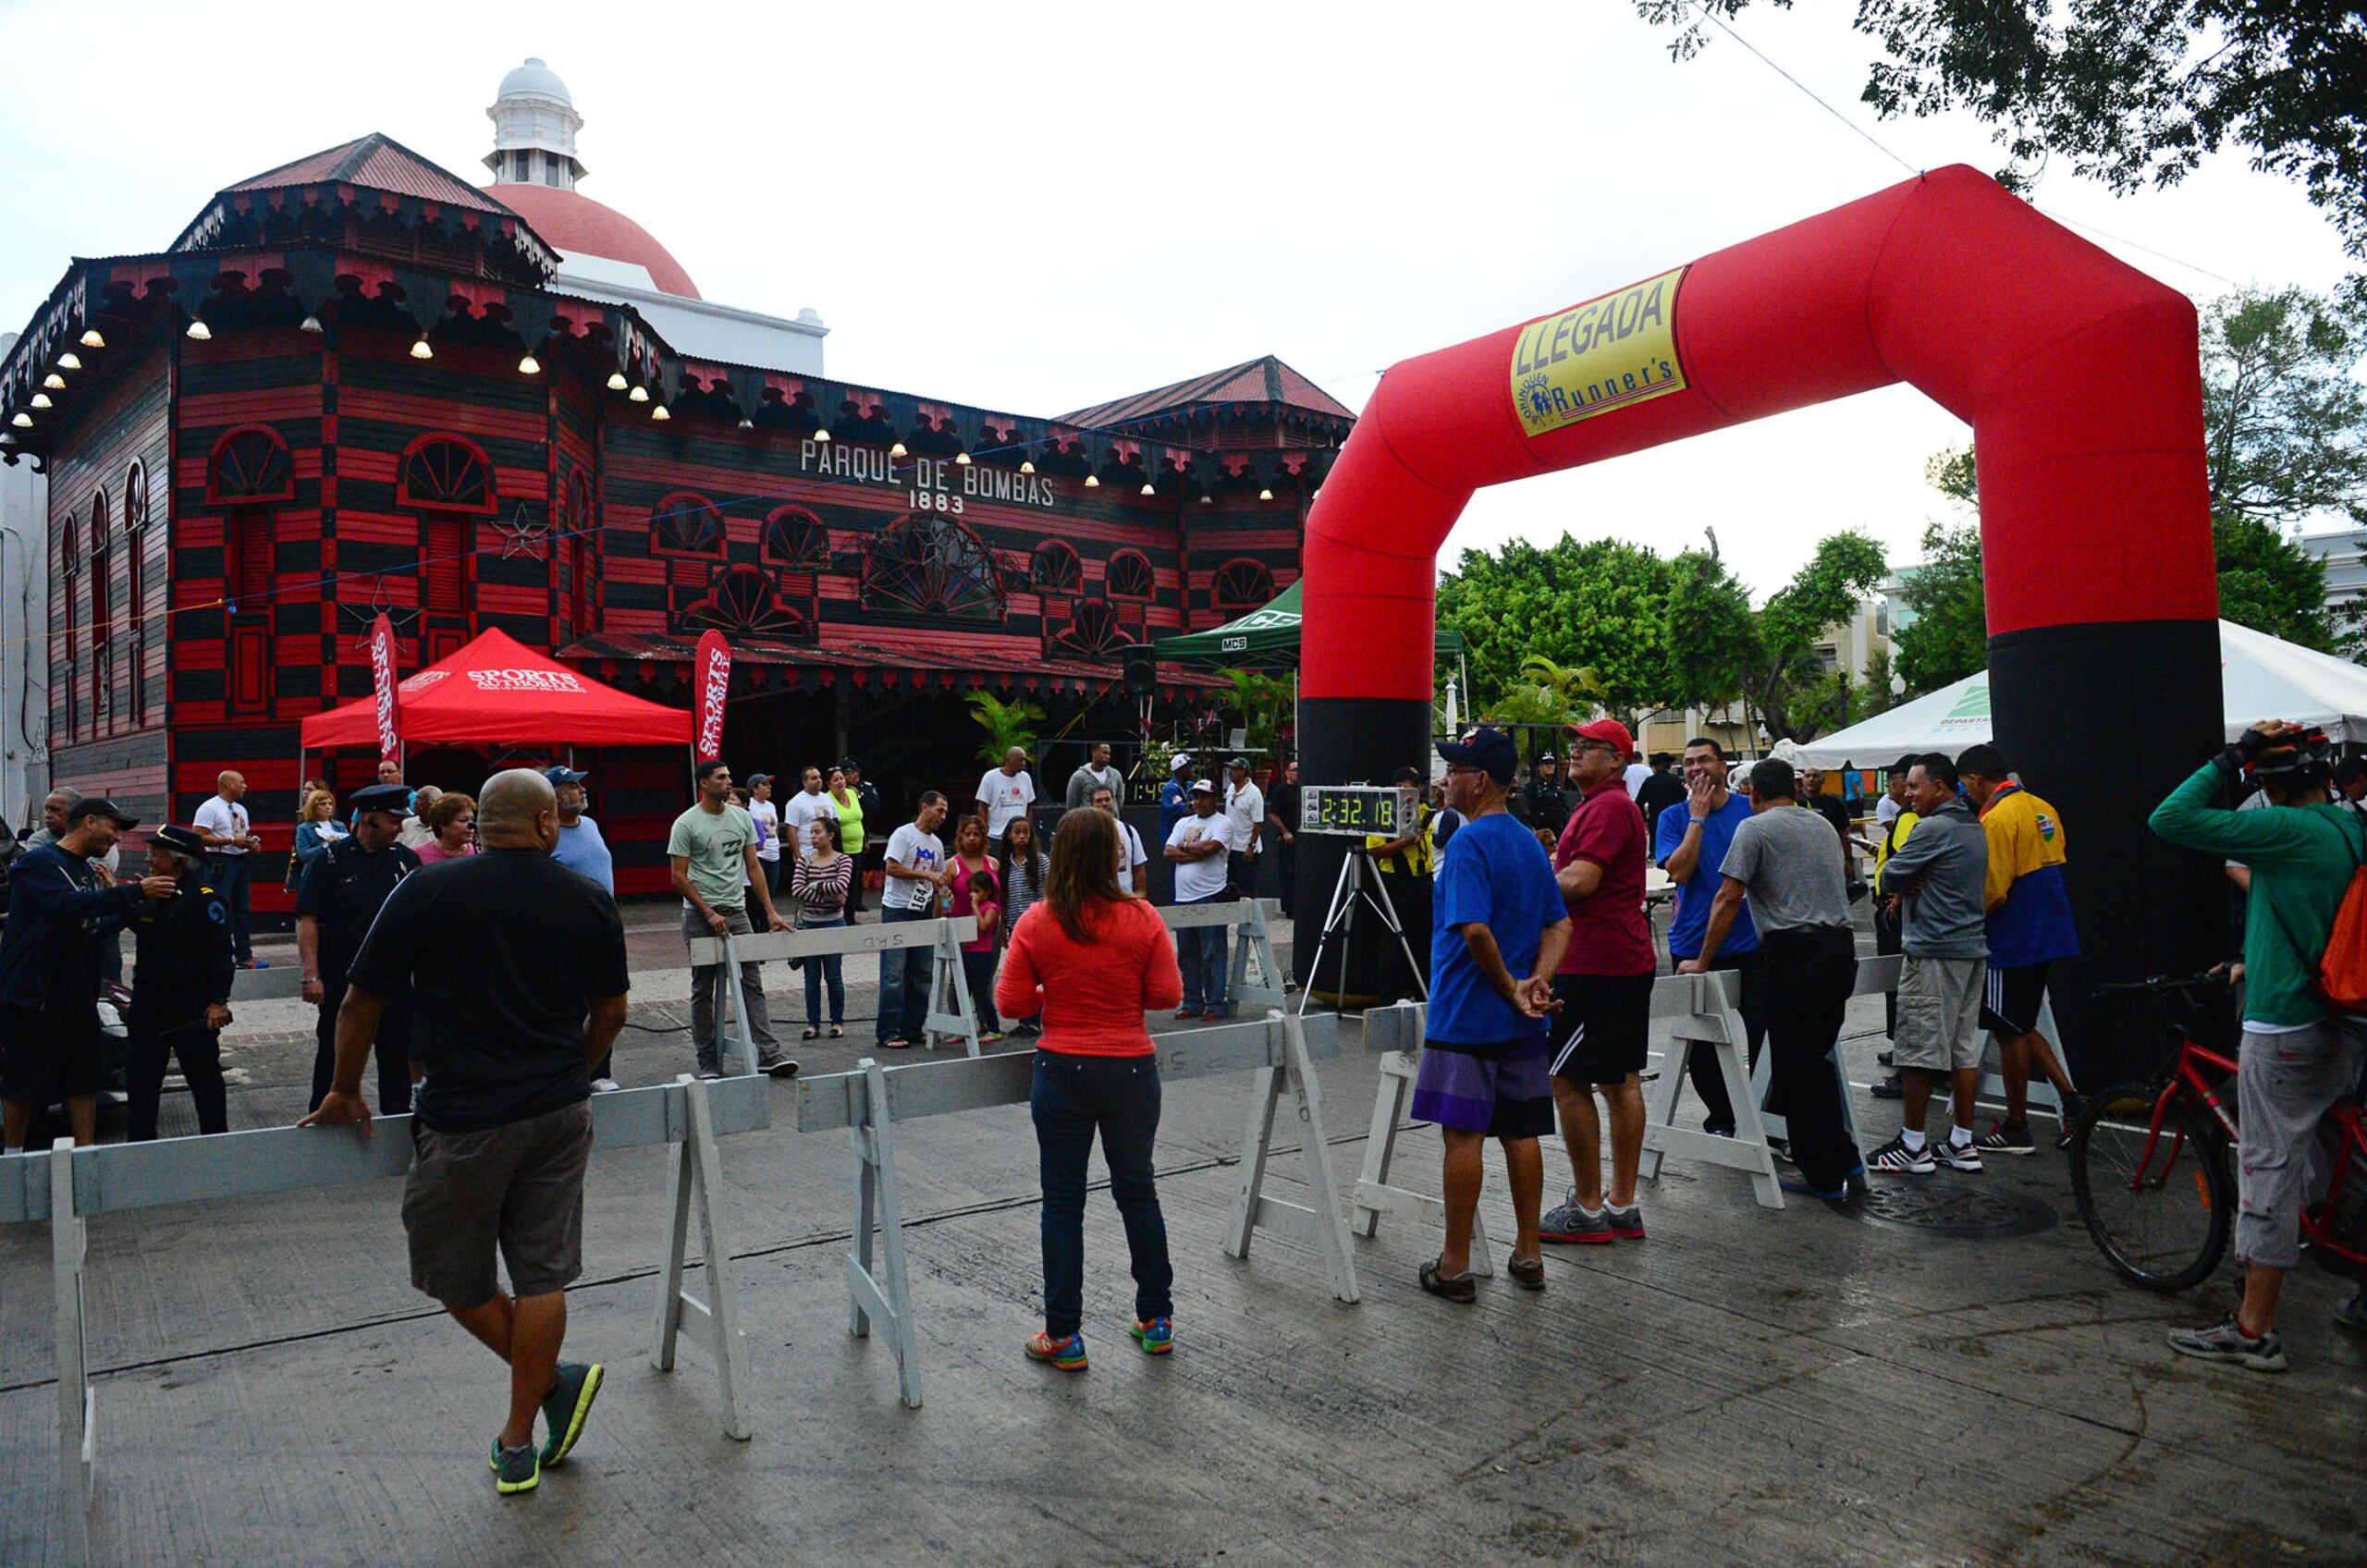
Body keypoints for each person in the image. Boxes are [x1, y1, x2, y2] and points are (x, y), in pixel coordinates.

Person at [299, 769, 626, 1495]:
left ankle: (534, 1415)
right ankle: (525, 1426)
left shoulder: (426, 889)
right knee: (543, 1273)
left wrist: (344, 1088)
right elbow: (612, 1008)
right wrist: (577, 1068)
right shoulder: (587, 899)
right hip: (559, 1114)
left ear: (484, 824)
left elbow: (360, 1000)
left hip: (464, 1117)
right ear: (546, 824)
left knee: (453, 1275)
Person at [2152, 722, 2367, 1371]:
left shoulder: (2282, 832)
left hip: (2288, 1027)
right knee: (2341, 1157)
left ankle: (2253, 1331)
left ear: (2266, 784)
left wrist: (2230, 757)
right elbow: (2310, 914)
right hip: (2346, 1018)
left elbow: (2171, 817)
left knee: (2269, 1167)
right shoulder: (2349, 826)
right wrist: (2249, 960)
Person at [998, 805, 1184, 1369]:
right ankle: (1156, 1320)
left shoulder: (1036, 920)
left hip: (1061, 1071)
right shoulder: (1143, 917)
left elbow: (1009, 1004)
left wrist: (1054, 994)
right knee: (1138, 1193)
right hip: (1131, 1070)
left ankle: (1064, 1335)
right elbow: (1167, 995)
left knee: (1062, 1204)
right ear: (1113, 855)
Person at [1414, 727, 1570, 1302]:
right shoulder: (1530, 843)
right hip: (1522, 1020)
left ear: (1480, 781)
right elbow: (1560, 922)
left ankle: (1455, 1265)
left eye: (1456, 771)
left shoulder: (1467, 844)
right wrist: (1537, 983)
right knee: (1522, 1134)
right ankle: (1529, 1254)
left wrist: (1510, 987)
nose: (1447, 779)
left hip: (1467, 1015)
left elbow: (1474, 929)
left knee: (1463, 1137)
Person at [1680, 758, 1864, 1203]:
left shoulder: (1755, 828)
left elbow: (1728, 896)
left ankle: (1823, 1174)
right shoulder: (1821, 824)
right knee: (1816, 1055)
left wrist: (1701, 960)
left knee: (1794, 1066)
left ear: (1753, 795)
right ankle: (1845, 1153)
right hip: (1840, 949)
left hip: (1794, 952)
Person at [1539, 719, 1657, 1245]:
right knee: (1619, 1078)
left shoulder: (1608, 807)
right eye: (1575, 746)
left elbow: (1582, 881)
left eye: (1589, 747)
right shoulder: (1604, 806)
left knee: (1569, 1080)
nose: (1575, 753)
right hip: (1621, 958)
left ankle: (1589, 1206)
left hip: (1595, 962)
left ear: (1617, 761)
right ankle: (1621, 1201)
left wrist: (1526, 882)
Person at [0, 800, 172, 1150]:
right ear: (89, 822)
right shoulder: (40, 863)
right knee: (23, 1081)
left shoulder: (83, 869)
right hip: (34, 994)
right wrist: (133, 891)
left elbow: (90, 924)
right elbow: (66, 907)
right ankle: (13, 1157)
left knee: (84, 1078)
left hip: (75, 992)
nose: (117, 838)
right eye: (113, 828)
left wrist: (132, 910)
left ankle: (86, 1154)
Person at [1861, 753, 1992, 1175]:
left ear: (1940, 786)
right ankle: (1961, 1143)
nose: (1908, 793)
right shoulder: (1974, 825)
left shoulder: (1933, 828)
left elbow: (1889, 874)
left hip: (1934, 951)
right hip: (1971, 950)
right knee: (1962, 1051)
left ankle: (1913, 1145)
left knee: (1917, 1050)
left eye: (1915, 786)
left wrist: (1905, 879)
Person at [1956, 742, 2085, 1154]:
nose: (1967, 793)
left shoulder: (1996, 818)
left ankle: (2016, 1127)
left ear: (1977, 779)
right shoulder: (2042, 807)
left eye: (1965, 785)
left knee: (2008, 1030)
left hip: (2011, 938)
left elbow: (1993, 889)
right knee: (2021, 1024)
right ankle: (2072, 1101)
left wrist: (1967, 917)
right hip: (2049, 931)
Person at [1655, 737, 1770, 1137]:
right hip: (1691, 944)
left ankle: (1762, 1117)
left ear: (1724, 767)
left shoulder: (1748, 810)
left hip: (1750, 943)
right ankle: (1722, 1117)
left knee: (1763, 1033)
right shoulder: (1673, 817)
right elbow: (1680, 872)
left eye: (1704, 760)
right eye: (1688, 763)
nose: (1695, 768)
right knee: (1702, 1045)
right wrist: (1697, 818)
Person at [667, 761, 796, 1080]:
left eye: (728, 776)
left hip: (737, 911)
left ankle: (769, 1053)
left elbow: (753, 867)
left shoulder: (741, 818)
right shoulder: (686, 824)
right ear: (704, 783)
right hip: (698, 915)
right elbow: (678, 876)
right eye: (721, 777)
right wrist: (707, 911)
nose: (729, 782)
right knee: (703, 988)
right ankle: (708, 1059)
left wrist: (770, 911)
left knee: (752, 982)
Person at [298, 783, 423, 1114]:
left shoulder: (407, 861)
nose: (400, 826)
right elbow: (307, 918)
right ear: (369, 820)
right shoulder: (329, 861)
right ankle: (324, 1123)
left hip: (396, 980)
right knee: (333, 1055)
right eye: (394, 820)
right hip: (343, 976)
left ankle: (395, 1130)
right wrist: (311, 975)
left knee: (396, 1058)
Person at [123, 825, 235, 1141]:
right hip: (149, 1005)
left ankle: (216, 1143)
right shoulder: (150, 893)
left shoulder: (204, 899)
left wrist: (219, 1001)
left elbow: (221, 954)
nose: (149, 860)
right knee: (141, 1081)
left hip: (191, 1007)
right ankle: (140, 1148)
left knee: (205, 1080)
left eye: (155, 855)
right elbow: (145, 928)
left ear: (179, 861)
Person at [544, 766, 619, 1093]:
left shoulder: (590, 825)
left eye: (579, 784)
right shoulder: (548, 834)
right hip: (568, 932)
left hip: (604, 928)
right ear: (555, 796)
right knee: (571, 1007)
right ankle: (570, 1070)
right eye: (572, 786)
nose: (581, 790)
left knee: (606, 1002)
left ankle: (599, 1071)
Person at [1866, 757, 1926, 1101]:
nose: (1896, 789)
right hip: (1896, 908)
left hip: (1894, 911)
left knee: (1899, 986)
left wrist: (1896, 897)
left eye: (1901, 783)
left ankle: (1906, 1063)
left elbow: (1905, 861)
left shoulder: (1908, 818)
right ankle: (1902, 1050)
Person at [877, 792, 951, 1048]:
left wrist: (943, 898)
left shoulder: (937, 844)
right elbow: (892, 868)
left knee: (922, 973)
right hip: (897, 909)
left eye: (945, 813)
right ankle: (887, 1031)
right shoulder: (903, 834)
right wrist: (926, 875)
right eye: (939, 810)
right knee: (894, 973)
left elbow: (940, 877)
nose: (942, 817)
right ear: (924, 807)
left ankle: (912, 1027)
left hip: (923, 908)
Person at [1165, 779, 1237, 1019]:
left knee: (1212, 953)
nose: (1198, 802)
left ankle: (1216, 1004)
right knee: (1187, 955)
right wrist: (1195, 851)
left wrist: (1185, 848)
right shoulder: (1183, 822)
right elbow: (1168, 852)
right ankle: (1192, 1002)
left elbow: (1211, 849)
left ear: (1214, 799)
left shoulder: (1224, 823)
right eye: (1195, 797)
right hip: (1183, 897)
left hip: (1210, 896)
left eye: (1203, 797)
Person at [1366, 766, 1440, 993]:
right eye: (1411, 783)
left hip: (1424, 880)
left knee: (1424, 937)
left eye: (1418, 784)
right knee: (1394, 940)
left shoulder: (1426, 809)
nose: (1418, 788)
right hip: (1396, 881)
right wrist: (1404, 843)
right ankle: (1389, 996)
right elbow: (1374, 850)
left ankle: (1422, 990)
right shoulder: (1384, 812)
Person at [192, 769, 265, 968]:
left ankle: (244, 955)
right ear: (228, 785)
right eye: (241, 782)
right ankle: (216, 953)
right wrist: (230, 840)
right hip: (220, 861)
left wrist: (251, 844)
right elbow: (199, 836)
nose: (245, 786)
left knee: (242, 909)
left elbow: (244, 832)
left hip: (240, 860)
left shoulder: (241, 810)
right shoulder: (209, 808)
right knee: (217, 907)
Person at [790, 815, 853, 1041]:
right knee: (811, 977)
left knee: (834, 976)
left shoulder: (843, 860)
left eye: (818, 832)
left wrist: (814, 885)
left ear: (831, 835)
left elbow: (841, 885)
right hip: (809, 924)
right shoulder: (804, 861)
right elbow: (797, 890)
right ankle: (812, 1023)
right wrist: (827, 892)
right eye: (812, 832)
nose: (813, 836)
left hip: (834, 922)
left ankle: (837, 1022)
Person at [950, 815, 1004, 1043]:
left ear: (983, 837)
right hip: (960, 927)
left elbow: (1000, 898)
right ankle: (960, 1025)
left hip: (989, 927)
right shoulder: (951, 865)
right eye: (967, 834)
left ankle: (987, 1023)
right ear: (960, 836)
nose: (971, 838)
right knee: (958, 980)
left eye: (977, 834)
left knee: (984, 977)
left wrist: (1003, 928)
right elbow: (943, 898)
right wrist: (943, 920)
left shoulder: (993, 863)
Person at [1000, 813, 1050, 1035]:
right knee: (1022, 973)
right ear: (1009, 836)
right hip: (1014, 925)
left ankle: (1034, 1020)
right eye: (1017, 832)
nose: (1022, 837)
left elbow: (1046, 892)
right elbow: (1003, 898)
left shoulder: (1040, 861)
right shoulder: (1004, 865)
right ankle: (1024, 1020)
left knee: (1039, 973)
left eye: (1025, 832)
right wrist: (1003, 926)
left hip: (1037, 924)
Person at [1092, 784, 1148, 897]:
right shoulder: (1084, 833)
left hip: (1124, 898)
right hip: (1096, 901)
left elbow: (1139, 870)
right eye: (1099, 801)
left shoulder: (1129, 831)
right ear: (1091, 806)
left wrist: (1140, 901)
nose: (1104, 804)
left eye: (1107, 799)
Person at [829, 765, 870, 916]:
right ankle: (841, 917)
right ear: (829, 784)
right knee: (842, 885)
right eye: (835, 780)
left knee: (855, 884)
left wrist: (865, 839)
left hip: (857, 847)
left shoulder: (852, 794)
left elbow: (859, 819)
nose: (840, 782)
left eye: (841, 778)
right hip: (841, 849)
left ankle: (851, 917)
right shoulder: (828, 798)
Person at [289, 788, 348, 888]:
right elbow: (304, 855)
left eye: (330, 804)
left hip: (338, 875)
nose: (328, 807)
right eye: (323, 804)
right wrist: (326, 845)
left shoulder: (340, 826)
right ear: (313, 807)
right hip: (315, 877)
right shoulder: (304, 828)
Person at [975, 746, 1036, 840]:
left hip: (1019, 837)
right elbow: (982, 807)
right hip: (996, 836)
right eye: (1020, 760)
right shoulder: (990, 777)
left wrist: (1027, 830)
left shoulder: (1026, 778)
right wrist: (985, 831)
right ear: (1008, 759)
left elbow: (1029, 806)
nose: (1023, 764)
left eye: (1024, 760)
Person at [1223, 756, 1265, 896]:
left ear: (1243, 771)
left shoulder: (1254, 793)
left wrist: (1251, 847)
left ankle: (1252, 914)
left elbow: (1258, 823)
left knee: (1248, 886)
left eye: (1234, 769)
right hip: (1231, 846)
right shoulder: (1231, 789)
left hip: (1246, 848)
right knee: (1231, 886)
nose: (1230, 772)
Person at [781, 766, 837, 865]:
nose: (819, 780)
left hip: (828, 852)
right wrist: (797, 856)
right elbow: (791, 830)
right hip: (807, 852)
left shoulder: (828, 798)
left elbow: (834, 823)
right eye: (814, 778)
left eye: (819, 777)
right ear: (804, 782)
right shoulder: (795, 802)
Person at [1266, 757, 1302, 910]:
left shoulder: (1303, 789)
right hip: (1288, 838)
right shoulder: (1281, 790)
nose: (1298, 773)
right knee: (1288, 872)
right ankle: (1289, 907)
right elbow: (1273, 814)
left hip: (1302, 836)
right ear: (1287, 773)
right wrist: (1285, 832)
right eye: (1295, 770)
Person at [415, 790, 479, 864]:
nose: (471, 826)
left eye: (472, 820)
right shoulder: (417, 855)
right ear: (442, 824)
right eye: (463, 820)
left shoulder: (478, 853)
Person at [746, 774, 783, 898]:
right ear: (755, 788)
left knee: (771, 892)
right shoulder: (750, 805)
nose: (769, 788)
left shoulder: (771, 806)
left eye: (770, 785)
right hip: (759, 855)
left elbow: (775, 828)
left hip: (774, 854)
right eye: (765, 785)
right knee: (757, 894)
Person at [1065, 741, 1122, 811]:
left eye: (1109, 753)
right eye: (1104, 753)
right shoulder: (1079, 777)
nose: (1108, 756)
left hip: (1110, 819)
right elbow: (1071, 805)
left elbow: (1119, 801)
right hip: (1088, 820)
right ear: (1093, 752)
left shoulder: (1115, 775)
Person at [1635, 752, 1686, 828]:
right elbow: (1684, 799)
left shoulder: (1649, 781)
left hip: (1655, 821)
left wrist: (1645, 820)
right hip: (1672, 820)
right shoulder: (1675, 780)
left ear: (1657, 766)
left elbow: (1639, 803)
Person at [1157, 752, 1195, 851]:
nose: (1192, 770)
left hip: (1189, 838)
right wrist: (1195, 805)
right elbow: (1184, 810)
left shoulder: (1191, 786)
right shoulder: (1169, 789)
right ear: (1180, 769)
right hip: (1172, 839)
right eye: (1189, 767)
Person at [1523, 751, 1569, 830]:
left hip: (1558, 829)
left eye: (1552, 763)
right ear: (1539, 767)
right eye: (1546, 764)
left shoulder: (1557, 787)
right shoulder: (1533, 787)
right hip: (1542, 829)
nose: (1549, 766)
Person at [1875, 760, 1913, 833]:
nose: (1887, 784)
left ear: (1907, 781)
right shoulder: (1904, 814)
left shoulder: (1911, 816)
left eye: (1891, 779)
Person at [399, 786, 442, 851]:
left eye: (420, 799)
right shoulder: (406, 824)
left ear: (432, 804)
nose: (414, 802)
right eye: (416, 798)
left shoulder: (444, 827)